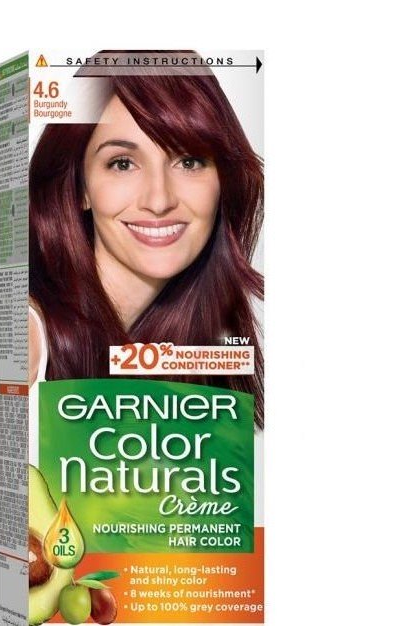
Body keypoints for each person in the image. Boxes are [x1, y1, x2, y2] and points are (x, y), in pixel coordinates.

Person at [28, 56, 264, 428]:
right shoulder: (29, 338)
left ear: (223, 181)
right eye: (122, 163)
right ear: (79, 188)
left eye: (189, 161)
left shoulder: (197, 348)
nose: (159, 200)